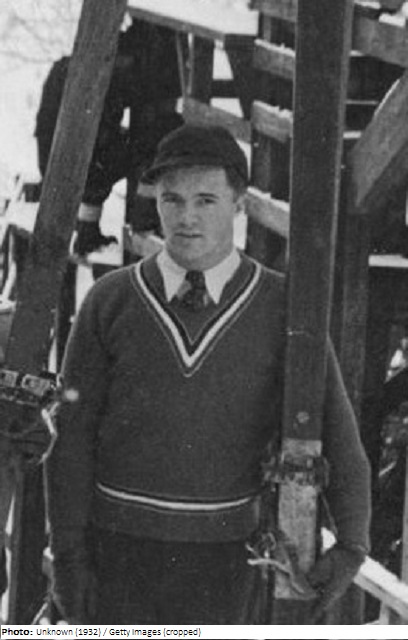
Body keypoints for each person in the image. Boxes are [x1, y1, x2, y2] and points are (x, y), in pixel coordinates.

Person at [45, 124, 371, 624]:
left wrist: (352, 543)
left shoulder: (284, 307)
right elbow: (70, 440)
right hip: (118, 556)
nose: (187, 217)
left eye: (206, 200)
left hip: (226, 564)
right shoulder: (109, 301)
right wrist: (68, 559)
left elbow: (336, 428)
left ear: (238, 204)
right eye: (172, 200)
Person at [35, 21, 183, 257]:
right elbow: (96, 144)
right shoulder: (100, 81)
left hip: (57, 155)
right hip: (67, 161)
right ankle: (140, 217)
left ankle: (89, 230)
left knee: (130, 147)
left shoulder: (77, 66)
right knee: (147, 146)